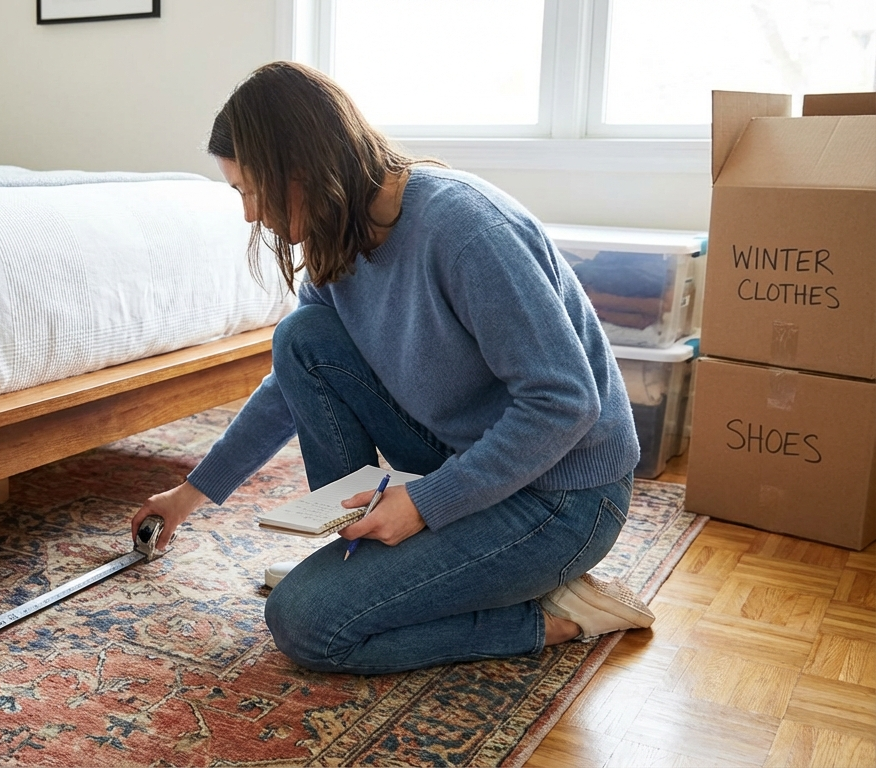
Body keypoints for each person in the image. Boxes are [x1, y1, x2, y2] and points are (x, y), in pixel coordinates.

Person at [129, 61, 655, 675]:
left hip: (563, 497)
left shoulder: (466, 230)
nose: (250, 214)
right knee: (303, 336)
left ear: (302, 171)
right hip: (467, 454)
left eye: (252, 190)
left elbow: (565, 402)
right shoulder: (341, 235)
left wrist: (426, 504)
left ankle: (549, 614)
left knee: (307, 624)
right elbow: (291, 387)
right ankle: (363, 562)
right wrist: (190, 494)